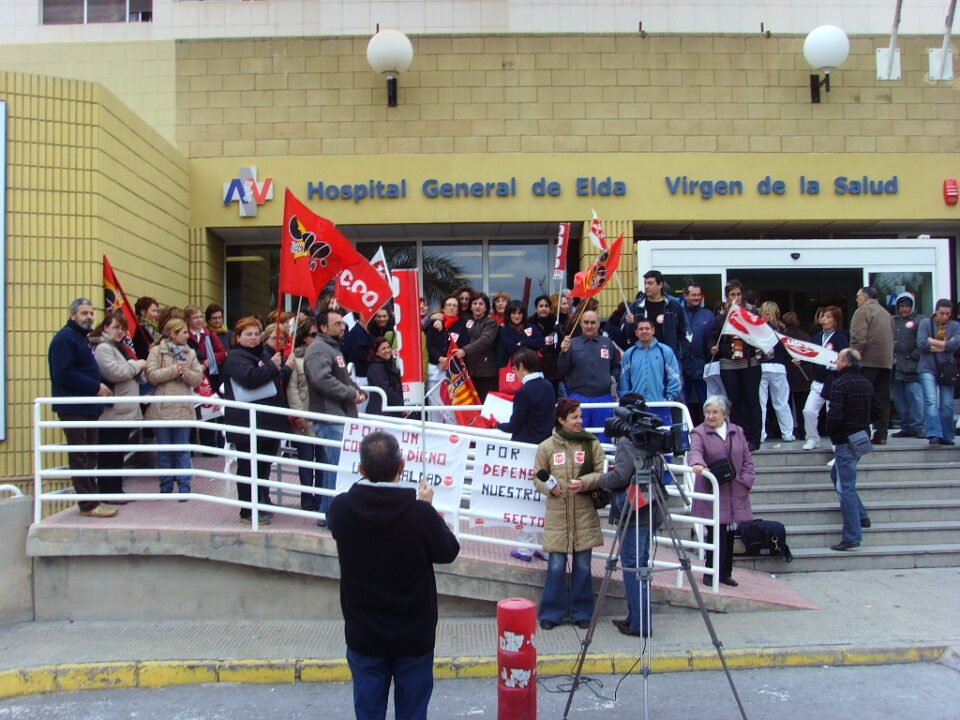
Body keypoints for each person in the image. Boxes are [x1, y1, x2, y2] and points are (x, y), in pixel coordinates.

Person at [327, 431, 460, 720]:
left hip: (364, 635)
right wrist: (427, 507)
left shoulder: (342, 508)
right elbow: (448, 551)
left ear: (361, 470)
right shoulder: (420, 514)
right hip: (414, 636)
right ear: (402, 466)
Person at [533, 398, 606, 630]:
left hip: (584, 513)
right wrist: (548, 487)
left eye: (580, 416)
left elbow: (600, 472)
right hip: (558, 513)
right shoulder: (546, 447)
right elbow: (537, 476)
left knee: (583, 566)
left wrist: (583, 483)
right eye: (574, 417)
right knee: (556, 565)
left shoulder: (591, 442)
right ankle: (551, 613)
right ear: (561, 420)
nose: (579, 421)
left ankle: (582, 612)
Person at [598, 394, 663, 637]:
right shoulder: (651, 435)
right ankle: (635, 617)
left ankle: (639, 624)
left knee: (634, 568)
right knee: (641, 566)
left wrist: (599, 480)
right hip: (652, 510)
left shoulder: (628, 441)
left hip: (635, 513)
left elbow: (621, 476)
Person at [221, 315, 294, 523]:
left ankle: (260, 500)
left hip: (267, 420)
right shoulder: (235, 357)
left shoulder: (261, 354)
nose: (253, 338)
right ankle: (248, 510)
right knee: (249, 467)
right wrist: (272, 366)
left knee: (263, 466)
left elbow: (271, 378)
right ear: (238, 337)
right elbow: (251, 377)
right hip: (248, 423)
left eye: (256, 334)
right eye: (248, 334)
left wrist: (282, 368)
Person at [48, 298, 117, 518]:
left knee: (89, 455)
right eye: (83, 313)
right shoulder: (65, 339)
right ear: (72, 315)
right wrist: (95, 387)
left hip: (87, 407)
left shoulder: (81, 338)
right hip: (74, 406)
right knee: (81, 456)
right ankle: (88, 504)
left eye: (91, 313)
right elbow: (64, 373)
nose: (89, 317)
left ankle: (92, 499)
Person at [304, 310, 366, 525]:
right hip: (329, 417)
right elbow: (322, 379)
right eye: (338, 324)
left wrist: (358, 390)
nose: (343, 327)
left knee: (337, 466)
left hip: (339, 415)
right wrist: (351, 394)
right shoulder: (319, 350)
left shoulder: (332, 349)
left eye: (342, 323)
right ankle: (329, 515)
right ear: (323, 328)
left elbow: (344, 378)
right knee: (335, 466)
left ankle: (329, 513)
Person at [688, 395, 755, 586]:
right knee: (716, 532)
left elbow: (747, 458)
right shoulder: (699, 432)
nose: (710, 416)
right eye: (708, 412)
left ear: (725, 414)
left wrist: (746, 480)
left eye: (715, 412)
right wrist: (698, 464)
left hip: (735, 488)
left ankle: (725, 573)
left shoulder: (737, 431)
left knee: (729, 532)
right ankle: (711, 573)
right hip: (713, 490)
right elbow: (695, 451)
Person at [825, 349, 880, 551]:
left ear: (847, 362)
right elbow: (878, 411)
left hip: (845, 439)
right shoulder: (866, 382)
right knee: (837, 476)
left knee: (845, 487)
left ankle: (852, 535)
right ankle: (862, 516)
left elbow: (835, 415)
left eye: (839, 358)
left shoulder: (840, 384)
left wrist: (831, 430)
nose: (836, 361)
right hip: (860, 436)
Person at [144, 317, 203, 496]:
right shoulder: (156, 352)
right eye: (184, 332)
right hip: (162, 408)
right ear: (173, 334)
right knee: (164, 450)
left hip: (183, 408)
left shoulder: (190, 353)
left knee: (182, 449)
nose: (187, 335)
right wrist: (174, 370)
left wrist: (185, 373)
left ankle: (184, 486)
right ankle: (166, 486)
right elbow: (151, 375)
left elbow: (198, 378)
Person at [92, 312, 147, 501]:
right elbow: (116, 372)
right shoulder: (103, 348)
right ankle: (108, 491)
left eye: (123, 328)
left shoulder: (119, 347)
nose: (120, 332)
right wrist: (136, 364)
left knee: (117, 453)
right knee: (109, 453)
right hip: (112, 412)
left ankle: (115, 489)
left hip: (123, 411)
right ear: (105, 327)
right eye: (116, 327)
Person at [709, 280, 763, 450]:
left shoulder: (752, 314)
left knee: (752, 400)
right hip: (729, 363)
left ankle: (755, 438)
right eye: (732, 295)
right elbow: (713, 337)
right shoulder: (720, 318)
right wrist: (714, 348)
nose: (736, 298)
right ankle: (739, 436)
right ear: (727, 297)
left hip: (750, 363)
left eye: (738, 294)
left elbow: (761, 334)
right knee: (734, 401)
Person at [558, 309, 620, 440]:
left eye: (593, 322)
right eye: (586, 322)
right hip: (578, 399)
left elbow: (616, 366)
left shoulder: (607, 343)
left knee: (605, 438)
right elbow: (562, 369)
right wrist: (563, 352)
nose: (589, 326)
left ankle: (603, 461)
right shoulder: (572, 343)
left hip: (603, 399)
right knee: (578, 438)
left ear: (598, 324)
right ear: (581, 324)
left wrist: (612, 379)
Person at [287, 320, 324, 511]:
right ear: (303, 337)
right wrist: (298, 414)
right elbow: (292, 388)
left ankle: (320, 499)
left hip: (323, 416)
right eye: (312, 334)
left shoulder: (324, 355)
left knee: (324, 462)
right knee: (306, 462)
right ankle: (307, 500)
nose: (316, 338)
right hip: (304, 416)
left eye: (319, 334)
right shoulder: (295, 358)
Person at [849, 287, 895, 444]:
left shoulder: (862, 312)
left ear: (864, 297)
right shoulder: (886, 313)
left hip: (867, 362)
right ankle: (882, 434)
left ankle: (863, 433)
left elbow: (858, 337)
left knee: (862, 398)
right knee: (882, 399)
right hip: (885, 362)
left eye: (857, 296)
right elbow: (893, 336)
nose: (856, 299)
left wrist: (853, 358)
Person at [800, 305, 849, 450]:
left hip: (834, 381)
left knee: (832, 414)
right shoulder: (817, 336)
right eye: (823, 316)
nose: (824, 319)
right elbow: (811, 354)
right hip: (818, 381)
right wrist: (800, 360)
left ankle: (837, 445)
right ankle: (812, 438)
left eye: (828, 317)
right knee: (808, 410)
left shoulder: (841, 337)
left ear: (836, 320)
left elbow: (843, 356)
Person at [917, 299, 960, 446]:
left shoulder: (955, 326)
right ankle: (934, 433)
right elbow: (922, 344)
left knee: (947, 403)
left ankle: (947, 435)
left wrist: (933, 342)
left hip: (947, 368)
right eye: (942, 313)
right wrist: (946, 345)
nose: (945, 316)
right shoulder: (925, 323)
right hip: (927, 367)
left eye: (948, 314)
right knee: (931, 401)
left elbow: (955, 345)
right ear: (936, 311)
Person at [618, 318, 682, 415]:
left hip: (660, 405)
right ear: (636, 332)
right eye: (641, 329)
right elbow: (623, 380)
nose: (644, 331)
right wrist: (627, 400)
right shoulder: (629, 354)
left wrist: (669, 398)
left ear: (653, 331)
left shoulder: (665, 351)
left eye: (647, 328)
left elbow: (674, 377)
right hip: (635, 408)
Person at [622, 270, 688, 360]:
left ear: (660, 285)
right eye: (645, 283)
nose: (646, 286)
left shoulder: (673, 305)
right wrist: (630, 324)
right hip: (643, 357)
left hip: (668, 357)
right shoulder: (636, 306)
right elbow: (625, 334)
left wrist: (680, 353)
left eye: (650, 283)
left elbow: (685, 331)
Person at [450, 292, 499, 401]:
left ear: (486, 307)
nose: (477, 306)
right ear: (470, 306)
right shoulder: (467, 321)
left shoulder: (490, 322)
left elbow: (485, 340)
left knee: (485, 405)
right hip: (469, 373)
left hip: (486, 373)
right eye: (475, 303)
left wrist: (465, 351)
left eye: (481, 304)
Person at [758, 301, 795, 442]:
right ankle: (787, 433)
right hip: (778, 367)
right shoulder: (781, 328)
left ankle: (760, 434)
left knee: (761, 403)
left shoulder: (758, 327)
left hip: (761, 366)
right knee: (781, 402)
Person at [425, 295, 465, 424]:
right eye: (449, 305)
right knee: (435, 405)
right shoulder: (435, 322)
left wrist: (448, 360)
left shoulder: (462, 325)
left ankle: (452, 434)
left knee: (450, 406)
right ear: (443, 308)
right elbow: (429, 345)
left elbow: (463, 345)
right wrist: (440, 358)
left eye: (455, 306)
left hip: (453, 371)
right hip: (435, 368)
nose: (452, 308)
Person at [890, 292, 925, 438]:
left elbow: (923, 342)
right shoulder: (892, 320)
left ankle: (918, 427)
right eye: (901, 306)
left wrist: (913, 356)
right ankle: (906, 427)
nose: (904, 309)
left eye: (907, 306)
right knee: (899, 399)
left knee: (915, 398)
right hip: (895, 367)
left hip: (912, 367)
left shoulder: (920, 320)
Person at [680, 282, 715, 426]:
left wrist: (710, 353)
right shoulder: (679, 313)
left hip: (703, 365)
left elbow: (712, 337)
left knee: (706, 401)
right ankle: (685, 431)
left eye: (698, 295)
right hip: (682, 365)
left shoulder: (708, 314)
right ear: (685, 296)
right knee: (683, 402)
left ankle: (709, 429)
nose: (696, 298)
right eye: (693, 295)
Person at [781, 312, 813, 440]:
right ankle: (804, 431)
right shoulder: (806, 336)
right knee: (802, 406)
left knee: (785, 404)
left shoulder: (783, 337)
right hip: (803, 374)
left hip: (788, 374)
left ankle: (785, 431)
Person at [530, 294, 565, 394]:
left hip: (552, 367)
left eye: (546, 306)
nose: (544, 309)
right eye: (541, 306)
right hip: (535, 364)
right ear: (536, 308)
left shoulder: (556, 322)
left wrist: (558, 331)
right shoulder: (530, 322)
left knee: (552, 395)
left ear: (550, 308)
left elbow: (561, 344)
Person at [365, 336, 405, 415]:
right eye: (383, 348)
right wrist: (400, 406)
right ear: (376, 352)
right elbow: (386, 389)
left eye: (388, 347)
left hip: (391, 410)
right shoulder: (375, 368)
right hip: (381, 412)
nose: (387, 350)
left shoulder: (389, 365)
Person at [132, 295, 160, 360]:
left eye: (157, 311)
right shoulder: (139, 329)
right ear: (143, 312)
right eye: (154, 311)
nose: (157, 314)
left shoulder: (154, 329)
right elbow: (142, 354)